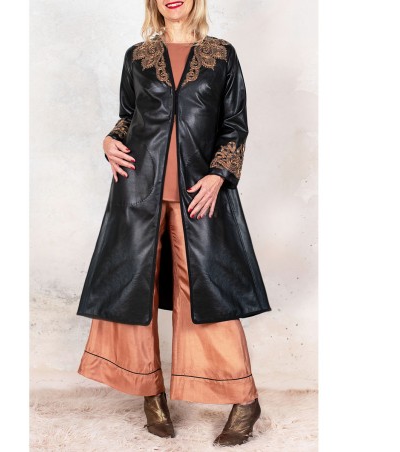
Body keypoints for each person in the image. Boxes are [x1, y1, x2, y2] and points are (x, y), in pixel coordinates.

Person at [76, 0, 271, 447]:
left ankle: (244, 399)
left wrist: (219, 176)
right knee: (134, 292)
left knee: (206, 294)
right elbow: (129, 117)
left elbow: (234, 124)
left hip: (198, 193)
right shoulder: (137, 56)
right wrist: (108, 141)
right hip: (137, 192)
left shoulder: (222, 54)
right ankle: (151, 394)